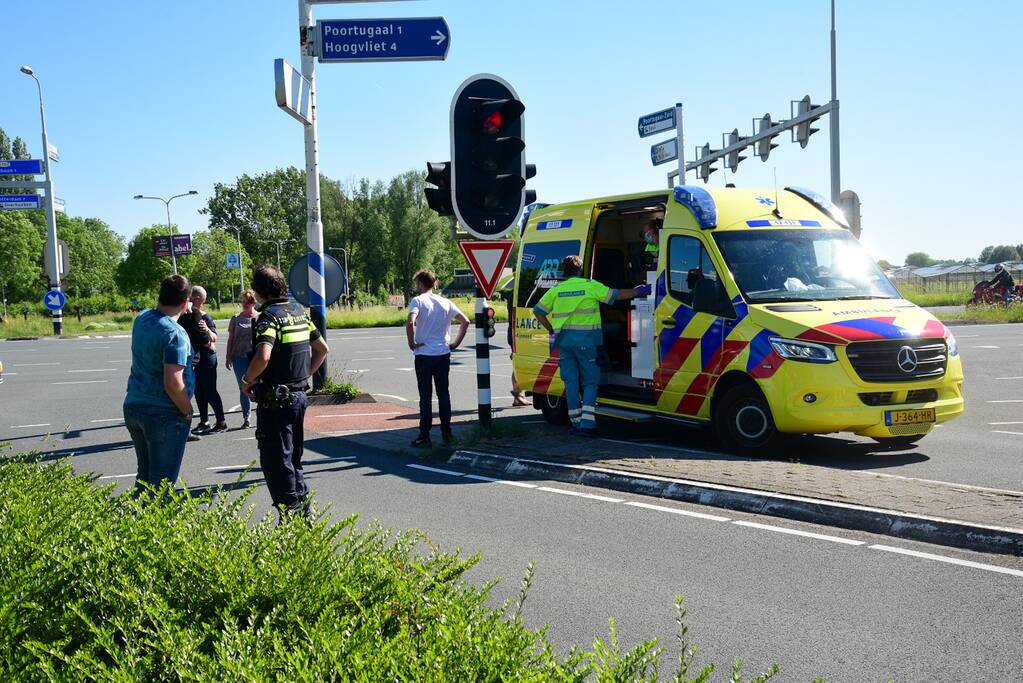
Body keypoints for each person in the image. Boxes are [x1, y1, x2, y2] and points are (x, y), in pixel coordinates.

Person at [241, 265, 330, 515]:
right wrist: (304, 374)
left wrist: (247, 380)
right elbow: (322, 349)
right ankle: (303, 510)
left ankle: (290, 516)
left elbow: (263, 356)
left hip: (275, 401)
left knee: (276, 460)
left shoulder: (268, 318)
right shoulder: (299, 313)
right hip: (298, 395)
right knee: (293, 458)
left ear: (259, 291)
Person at [533, 255, 650, 435]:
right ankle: (587, 424)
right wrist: (638, 291)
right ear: (580, 270)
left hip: (564, 343)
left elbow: (538, 311)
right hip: (586, 342)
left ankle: (575, 422)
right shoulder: (589, 285)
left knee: (571, 382)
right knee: (590, 382)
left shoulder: (556, 290)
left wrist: (551, 329)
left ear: (564, 271)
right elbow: (616, 295)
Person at [123, 275, 195, 492]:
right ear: (185, 301)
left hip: (134, 403)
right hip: (163, 412)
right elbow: (172, 382)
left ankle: (135, 513)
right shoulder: (175, 334)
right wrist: (187, 410)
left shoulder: (142, 318)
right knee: (161, 485)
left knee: (144, 479)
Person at [405, 269, 470, 447]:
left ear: (420, 283)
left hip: (424, 354)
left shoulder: (418, 301)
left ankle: (424, 435)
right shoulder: (446, 302)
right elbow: (465, 321)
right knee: (443, 394)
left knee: (425, 396)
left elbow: (410, 322)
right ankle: (447, 433)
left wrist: (411, 342)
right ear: (434, 283)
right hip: (443, 353)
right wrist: (455, 343)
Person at [179, 286, 227, 435]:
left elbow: (214, 337)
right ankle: (204, 421)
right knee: (198, 391)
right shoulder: (184, 316)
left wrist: (207, 330)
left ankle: (221, 422)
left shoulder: (204, 317)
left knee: (210, 390)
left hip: (207, 357)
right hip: (195, 357)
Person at [226, 289, 259, 428]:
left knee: (257, 385)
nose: (245, 304)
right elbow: (231, 339)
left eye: (248, 302)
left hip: (256, 357)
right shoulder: (236, 318)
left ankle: (262, 414)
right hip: (239, 356)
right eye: (243, 302)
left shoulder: (260, 317)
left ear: (253, 303)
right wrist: (228, 357)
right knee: (243, 386)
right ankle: (246, 417)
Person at [504, 285, 529, 406]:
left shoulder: (513, 295)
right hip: (521, 333)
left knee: (517, 364)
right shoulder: (522, 294)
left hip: (514, 332)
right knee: (522, 365)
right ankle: (518, 392)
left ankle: (519, 396)